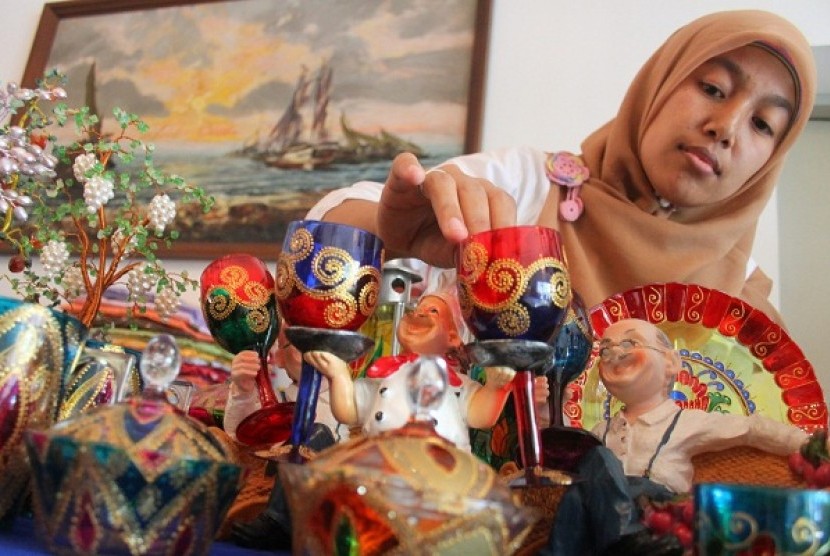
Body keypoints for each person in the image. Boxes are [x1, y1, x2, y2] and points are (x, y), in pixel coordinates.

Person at [305, 10, 817, 327]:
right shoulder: (528, 186)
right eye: (711, 88)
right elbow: (321, 227)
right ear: (656, 86)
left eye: (764, 124)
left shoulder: (744, 301)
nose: (726, 127)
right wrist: (389, 232)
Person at [544, 318, 808, 555]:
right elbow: (563, 455)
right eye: (605, 350)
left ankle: (617, 538)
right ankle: (605, 541)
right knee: (582, 483)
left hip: (658, 513)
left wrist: (812, 445)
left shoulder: (687, 422)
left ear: (670, 363)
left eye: (630, 343)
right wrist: (549, 409)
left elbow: (752, 429)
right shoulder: (602, 429)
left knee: (597, 459)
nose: (615, 354)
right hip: (608, 524)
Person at [305, 290, 544, 451]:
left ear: (452, 337)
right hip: (381, 470)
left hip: (441, 475)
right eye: (418, 308)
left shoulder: (455, 385)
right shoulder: (385, 375)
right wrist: (339, 376)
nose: (418, 313)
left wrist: (495, 388)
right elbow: (349, 412)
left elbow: (479, 417)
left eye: (433, 312)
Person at [223, 323, 349, 444]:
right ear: (280, 358)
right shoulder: (279, 404)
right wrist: (243, 392)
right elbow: (239, 435)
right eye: (301, 342)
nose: (316, 352)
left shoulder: (354, 396)